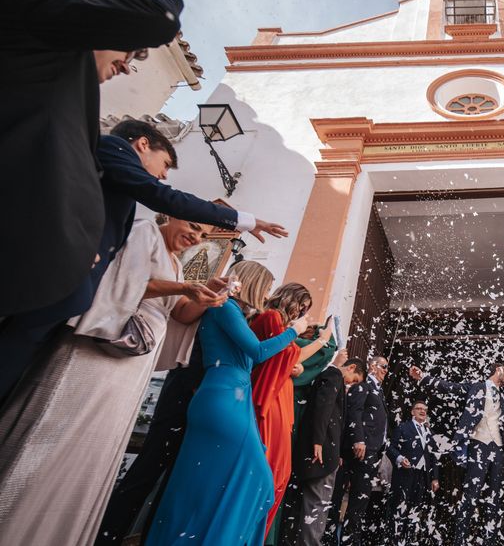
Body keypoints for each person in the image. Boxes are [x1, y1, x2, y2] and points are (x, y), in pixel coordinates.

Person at [0, 118, 289, 407]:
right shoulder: (113, 150)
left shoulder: (173, 260)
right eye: (164, 164)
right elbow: (162, 197)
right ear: (142, 144)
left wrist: (201, 293)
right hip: (92, 317)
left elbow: (181, 311)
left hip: (131, 346)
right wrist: (245, 221)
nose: (163, 176)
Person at [0, 216, 223, 546]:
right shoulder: (143, 231)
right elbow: (121, 280)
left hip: (130, 366)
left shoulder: (175, 264)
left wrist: (205, 299)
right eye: (193, 227)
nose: (196, 237)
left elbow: (179, 313)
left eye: (203, 235)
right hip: (98, 351)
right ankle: (13, 519)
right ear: (172, 214)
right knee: (58, 429)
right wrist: (185, 287)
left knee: (92, 447)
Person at [1, 0, 182, 318]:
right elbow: (160, 17)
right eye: (131, 50)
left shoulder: (73, 88)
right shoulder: (41, 41)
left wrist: (74, 246)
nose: (129, 64)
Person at [95, 260, 271, 545]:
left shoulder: (235, 313)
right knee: (151, 466)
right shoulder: (218, 304)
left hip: (208, 394)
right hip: (187, 387)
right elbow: (186, 317)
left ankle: (152, 535)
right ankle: (108, 535)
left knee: (179, 475)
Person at [146, 268, 316, 546]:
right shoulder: (224, 307)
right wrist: (295, 332)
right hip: (223, 397)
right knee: (257, 477)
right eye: (265, 288)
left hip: (234, 398)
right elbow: (259, 351)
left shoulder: (237, 314)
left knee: (210, 480)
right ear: (252, 284)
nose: (266, 295)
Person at [250, 285, 334, 537]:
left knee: (279, 474)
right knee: (271, 472)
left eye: (306, 309)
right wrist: (321, 341)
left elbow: (289, 357)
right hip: (272, 397)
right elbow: (285, 355)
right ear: (289, 298)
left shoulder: (283, 327)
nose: (301, 312)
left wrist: (295, 362)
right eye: (301, 305)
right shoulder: (272, 318)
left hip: (281, 400)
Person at [407, 362, 504, 545]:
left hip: (498, 448)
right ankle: (459, 540)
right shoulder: (476, 387)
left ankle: (490, 541)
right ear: (498, 370)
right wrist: (423, 377)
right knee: (471, 494)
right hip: (479, 444)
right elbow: (449, 387)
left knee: (495, 496)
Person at [293, 351, 367, 546]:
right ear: (351, 368)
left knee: (318, 505)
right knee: (317, 505)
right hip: (323, 451)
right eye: (355, 379)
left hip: (328, 452)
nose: (352, 384)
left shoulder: (332, 377)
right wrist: (317, 441)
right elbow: (322, 408)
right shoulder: (334, 375)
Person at [329, 356, 390, 544]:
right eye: (383, 366)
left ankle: (350, 541)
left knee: (360, 503)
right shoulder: (363, 386)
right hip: (358, 450)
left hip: (371, 453)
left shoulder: (379, 391)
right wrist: (359, 440)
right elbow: (354, 411)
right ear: (372, 366)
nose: (386, 371)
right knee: (338, 499)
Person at [386, 401, 440, 545]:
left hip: (423, 477)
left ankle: (410, 541)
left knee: (416, 509)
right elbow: (391, 448)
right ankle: (395, 541)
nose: (422, 411)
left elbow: (434, 456)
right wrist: (400, 458)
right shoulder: (403, 427)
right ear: (412, 412)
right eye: (419, 409)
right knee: (400, 508)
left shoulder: (430, 432)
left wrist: (435, 478)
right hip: (405, 475)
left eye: (425, 409)